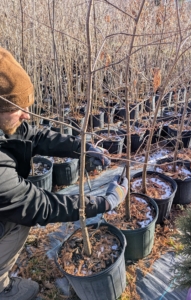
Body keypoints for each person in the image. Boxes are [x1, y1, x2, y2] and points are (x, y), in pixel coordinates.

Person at [0, 47, 128, 300]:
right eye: (19, 108)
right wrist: (104, 202)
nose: (27, 115)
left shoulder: (7, 124)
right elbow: (36, 205)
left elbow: (33, 136)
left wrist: (82, 148)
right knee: (20, 219)